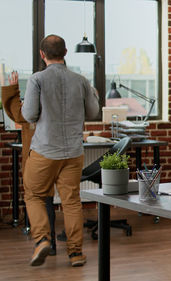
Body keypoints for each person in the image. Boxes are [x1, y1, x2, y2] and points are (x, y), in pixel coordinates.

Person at [21, 34, 99, 267]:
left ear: (42, 54)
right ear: (65, 53)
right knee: (71, 201)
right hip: (73, 152)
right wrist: (92, 93)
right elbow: (93, 113)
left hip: (45, 151)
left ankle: (43, 239)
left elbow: (29, 115)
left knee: (33, 194)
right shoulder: (81, 80)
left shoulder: (37, 80)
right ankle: (75, 253)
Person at [1, 71, 58, 255]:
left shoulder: (32, 109)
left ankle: (45, 242)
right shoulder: (54, 104)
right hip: (54, 157)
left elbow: (16, 113)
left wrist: (13, 89)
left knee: (38, 200)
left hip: (37, 160)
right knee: (47, 201)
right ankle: (51, 244)